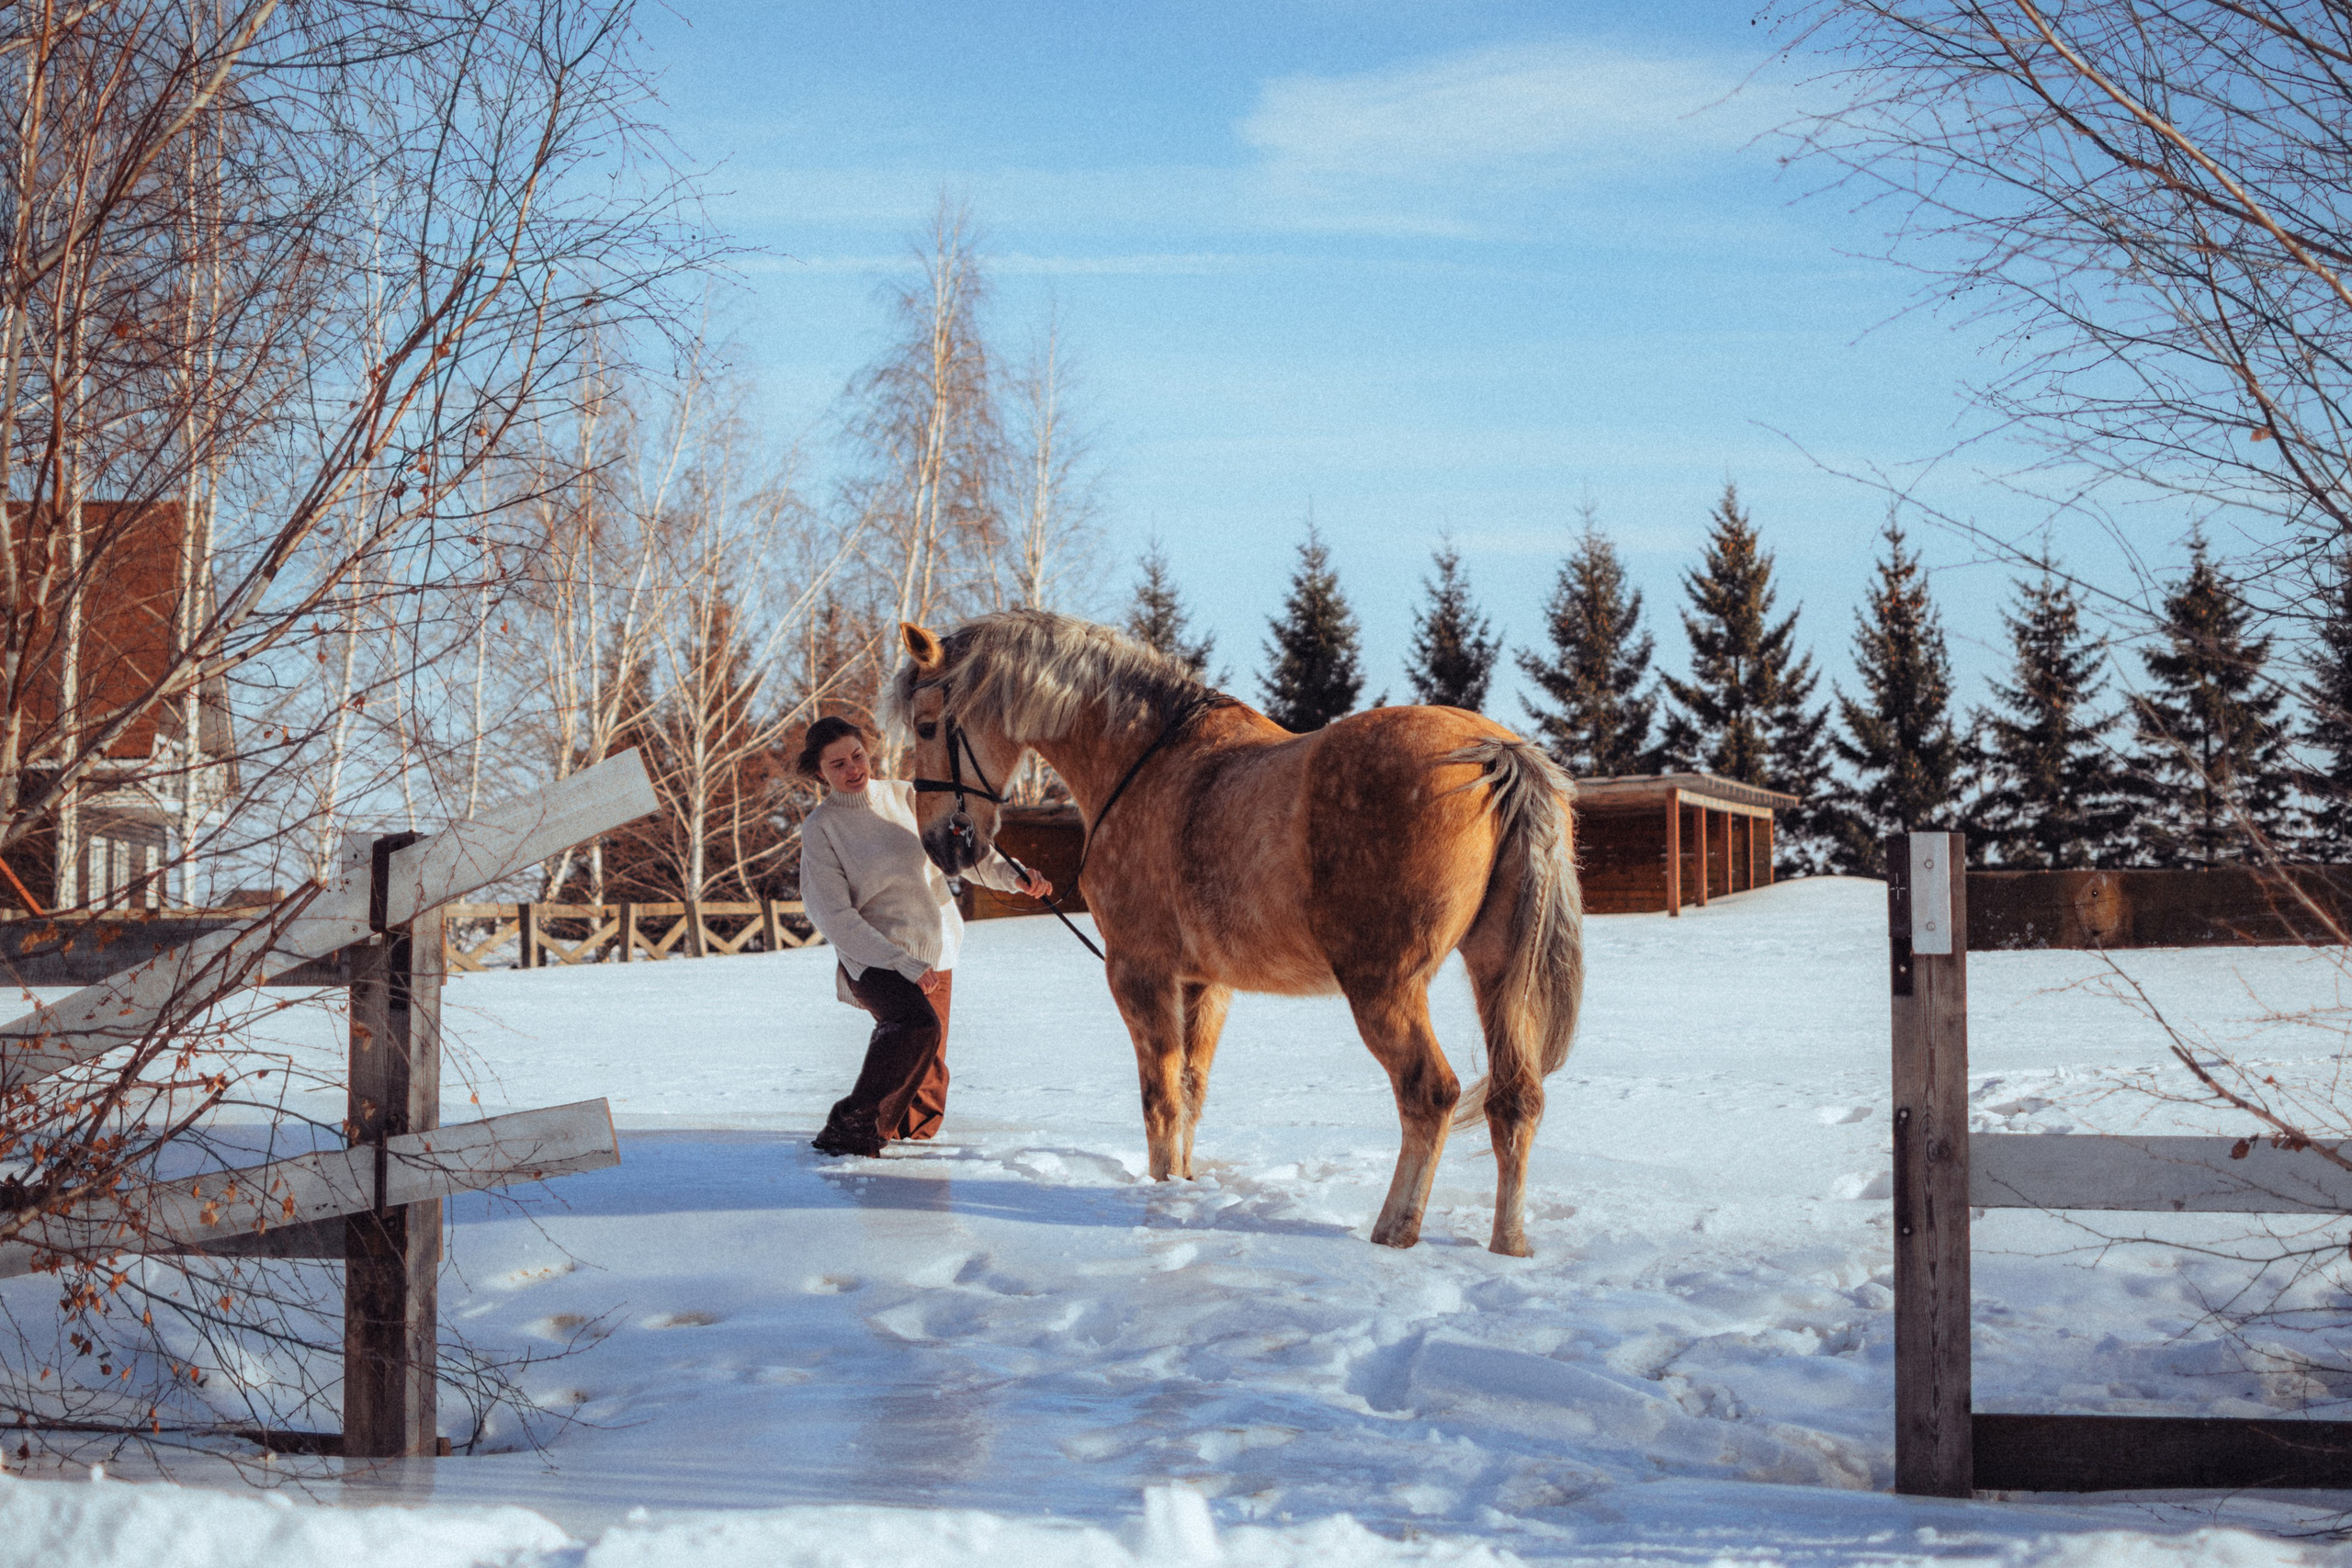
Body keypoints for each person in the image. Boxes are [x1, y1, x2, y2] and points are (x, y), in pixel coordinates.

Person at [795, 715, 1052, 1157]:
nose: (854, 769)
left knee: (929, 1074)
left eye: (857, 755)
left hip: (937, 944)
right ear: (820, 773)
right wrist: (900, 961)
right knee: (914, 1026)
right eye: (838, 765)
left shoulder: (907, 797)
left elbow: (965, 856)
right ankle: (854, 1128)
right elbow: (833, 915)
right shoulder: (822, 828)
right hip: (874, 955)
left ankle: (913, 1155)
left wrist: (1015, 877)